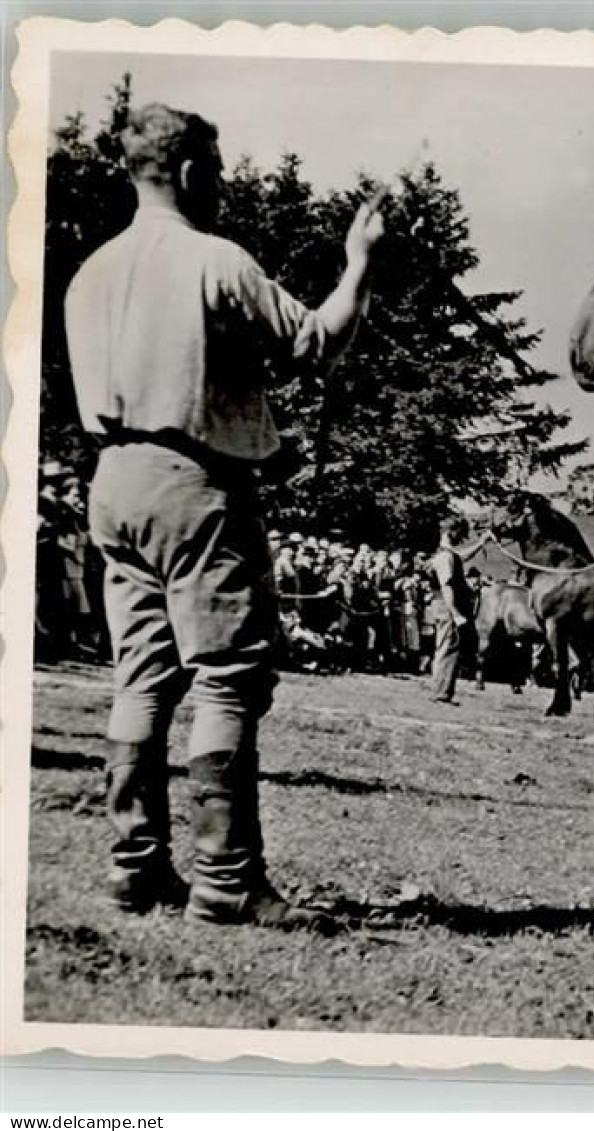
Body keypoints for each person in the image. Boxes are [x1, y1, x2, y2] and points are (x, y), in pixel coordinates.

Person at [64, 102, 385, 929]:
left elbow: (172, 378)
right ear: (196, 173)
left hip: (114, 483)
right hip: (195, 491)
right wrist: (359, 262)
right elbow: (318, 341)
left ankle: (134, 866)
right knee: (229, 678)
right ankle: (227, 877)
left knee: (141, 678)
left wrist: (254, 433)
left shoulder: (89, 272)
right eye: (221, 169)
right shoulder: (218, 260)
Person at [429, 515, 479, 705]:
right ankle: (441, 693)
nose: (462, 538)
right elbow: (447, 586)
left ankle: (442, 691)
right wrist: (456, 613)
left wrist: (481, 543)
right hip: (447, 607)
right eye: (460, 534)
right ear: (452, 532)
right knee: (446, 648)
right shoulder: (446, 557)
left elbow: (462, 555)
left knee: (447, 647)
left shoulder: (446, 555)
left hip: (442, 606)